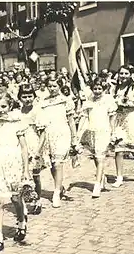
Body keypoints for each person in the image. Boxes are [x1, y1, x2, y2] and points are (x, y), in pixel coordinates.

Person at [0, 92, 31, 254]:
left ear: (10, 106)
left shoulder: (16, 122)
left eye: (4, 106)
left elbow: (24, 147)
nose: (0, 110)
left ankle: (21, 222)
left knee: (16, 198)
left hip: (14, 163)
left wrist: (26, 170)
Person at [37, 77, 77, 208]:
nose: (52, 88)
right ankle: (59, 187)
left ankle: (56, 193)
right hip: (49, 134)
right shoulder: (43, 102)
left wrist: (74, 138)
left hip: (62, 133)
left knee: (58, 163)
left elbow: (71, 121)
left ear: (60, 86)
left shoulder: (66, 101)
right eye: (50, 86)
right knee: (52, 165)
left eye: (55, 86)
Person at [78, 78, 117, 198]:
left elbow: (112, 117)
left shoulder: (108, 100)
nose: (97, 91)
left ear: (104, 89)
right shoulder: (89, 101)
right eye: (95, 88)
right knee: (96, 156)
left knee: (100, 158)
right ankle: (102, 178)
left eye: (100, 88)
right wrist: (79, 132)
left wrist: (113, 132)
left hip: (104, 131)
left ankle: (97, 184)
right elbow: (84, 117)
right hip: (92, 131)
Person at [111, 65, 134, 188]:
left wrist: (129, 105)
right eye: (121, 73)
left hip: (132, 117)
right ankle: (119, 177)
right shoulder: (116, 87)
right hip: (120, 118)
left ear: (130, 74)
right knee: (118, 147)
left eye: (126, 73)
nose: (123, 76)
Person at [18, 84, 49, 214]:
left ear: (34, 96)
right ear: (19, 97)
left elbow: (43, 133)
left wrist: (38, 150)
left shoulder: (37, 111)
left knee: (35, 176)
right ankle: (23, 203)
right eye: (24, 96)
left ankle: (38, 200)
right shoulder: (17, 112)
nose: (27, 99)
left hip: (34, 144)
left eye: (30, 96)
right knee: (22, 176)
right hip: (20, 145)